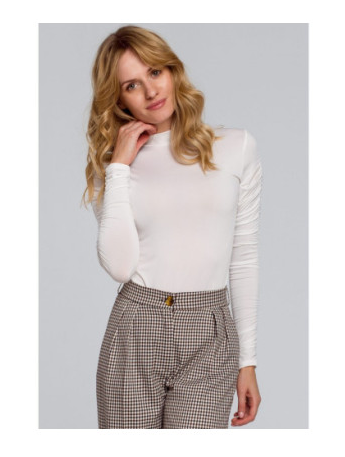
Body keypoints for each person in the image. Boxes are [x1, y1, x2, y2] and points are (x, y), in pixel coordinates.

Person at [82, 25, 263, 429]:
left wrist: (247, 360)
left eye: (155, 72)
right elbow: (120, 267)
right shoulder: (113, 167)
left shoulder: (236, 147)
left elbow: (244, 256)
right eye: (132, 85)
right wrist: (118, 167)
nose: (151, 91)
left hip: (209, 332)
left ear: (173, 70)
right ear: (118, 98)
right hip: (136, 326)